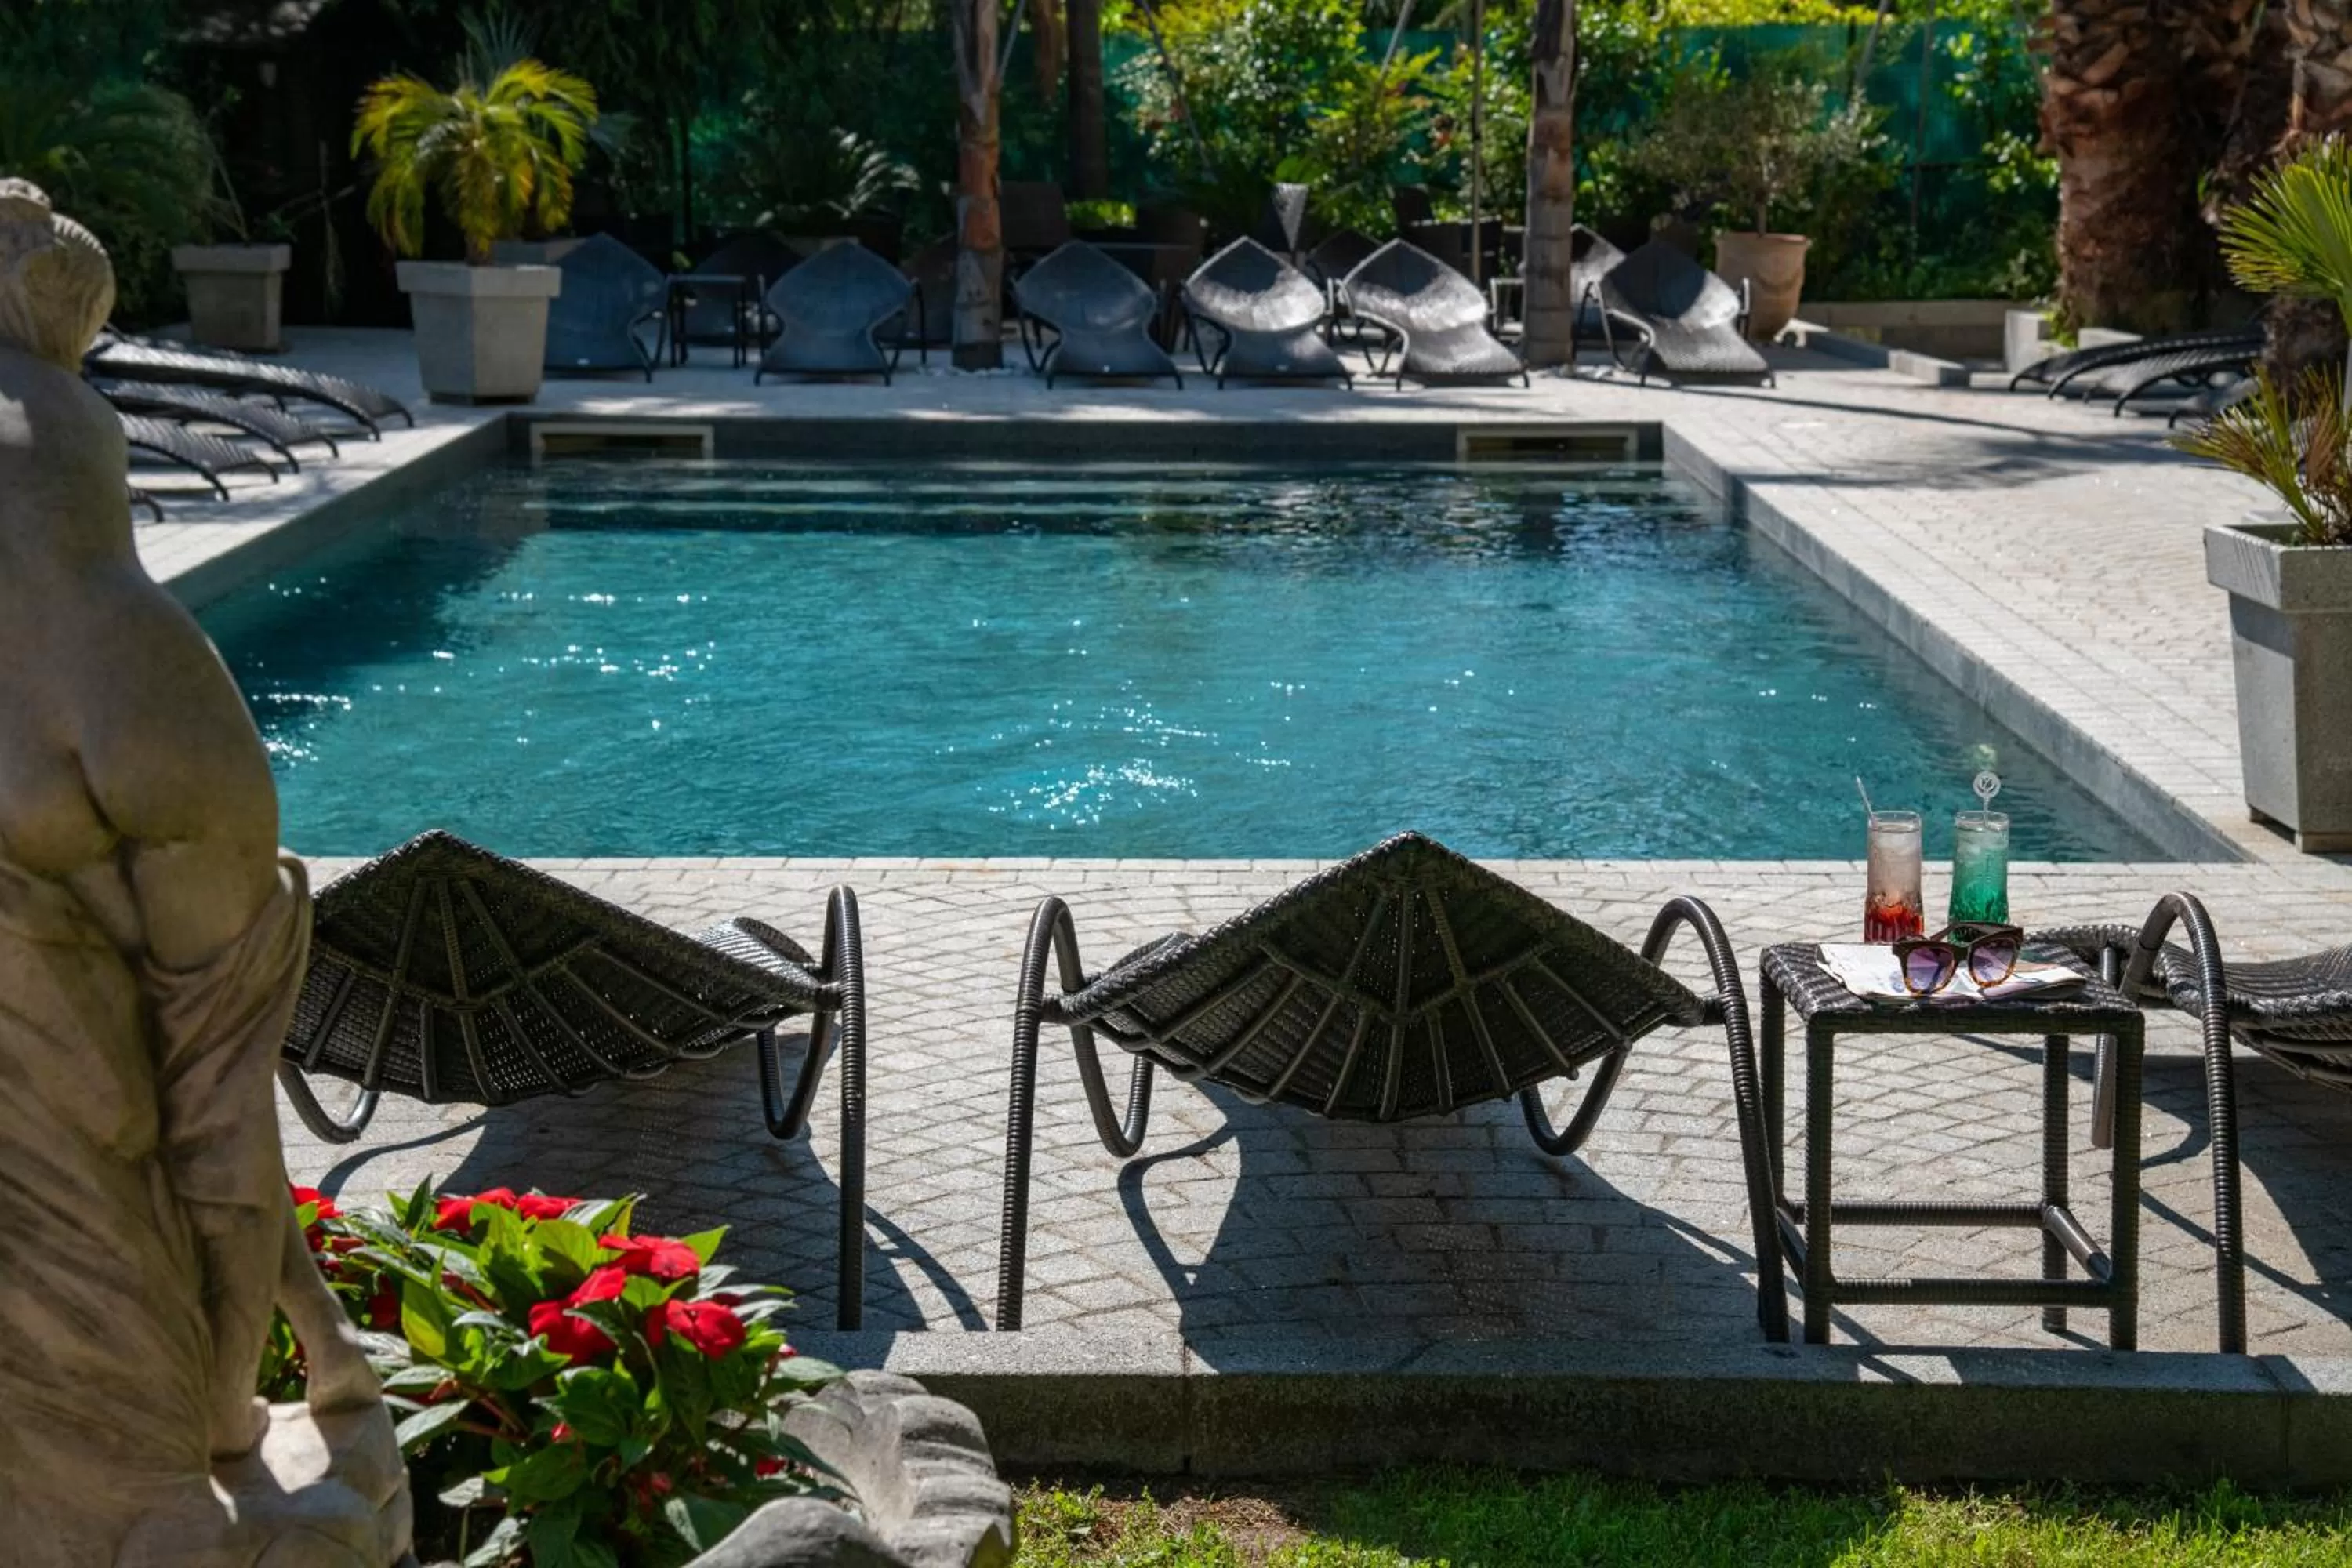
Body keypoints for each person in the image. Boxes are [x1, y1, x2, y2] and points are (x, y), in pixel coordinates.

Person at [0, 179, 406, 1566]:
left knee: (151, 1112)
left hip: (41, 753)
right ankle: (268, 1388)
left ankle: (235, 1412)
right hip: (150, 721)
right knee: (212, 1096)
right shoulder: (64, 411)